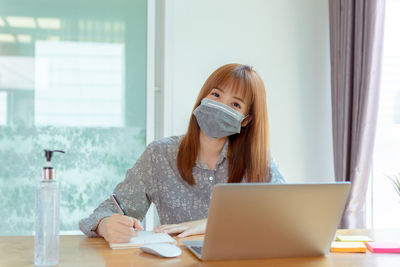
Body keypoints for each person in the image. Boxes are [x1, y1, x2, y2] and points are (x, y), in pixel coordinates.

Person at [79, 63, 286, 243]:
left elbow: (288, 219)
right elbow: (107, 211)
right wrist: (105, 226)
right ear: (203, 97)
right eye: (216, 95)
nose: (221, 106)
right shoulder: (159, 154)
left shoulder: (259, 162)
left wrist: (211, 224)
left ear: (245, 119)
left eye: (235, 104)